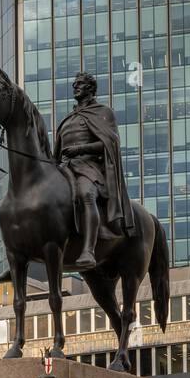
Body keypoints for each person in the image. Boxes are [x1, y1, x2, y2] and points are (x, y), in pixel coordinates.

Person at [54, 71, 137, 270]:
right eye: (74, 83)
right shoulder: (68, 119)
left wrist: (80, 149)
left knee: (85, 194)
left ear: (90, 88)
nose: (75, 86)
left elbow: (110, 144)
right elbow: (56, 153)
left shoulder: (103, 112)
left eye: (80, 84)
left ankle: (88, 250)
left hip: (90, 167)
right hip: (65, 168)